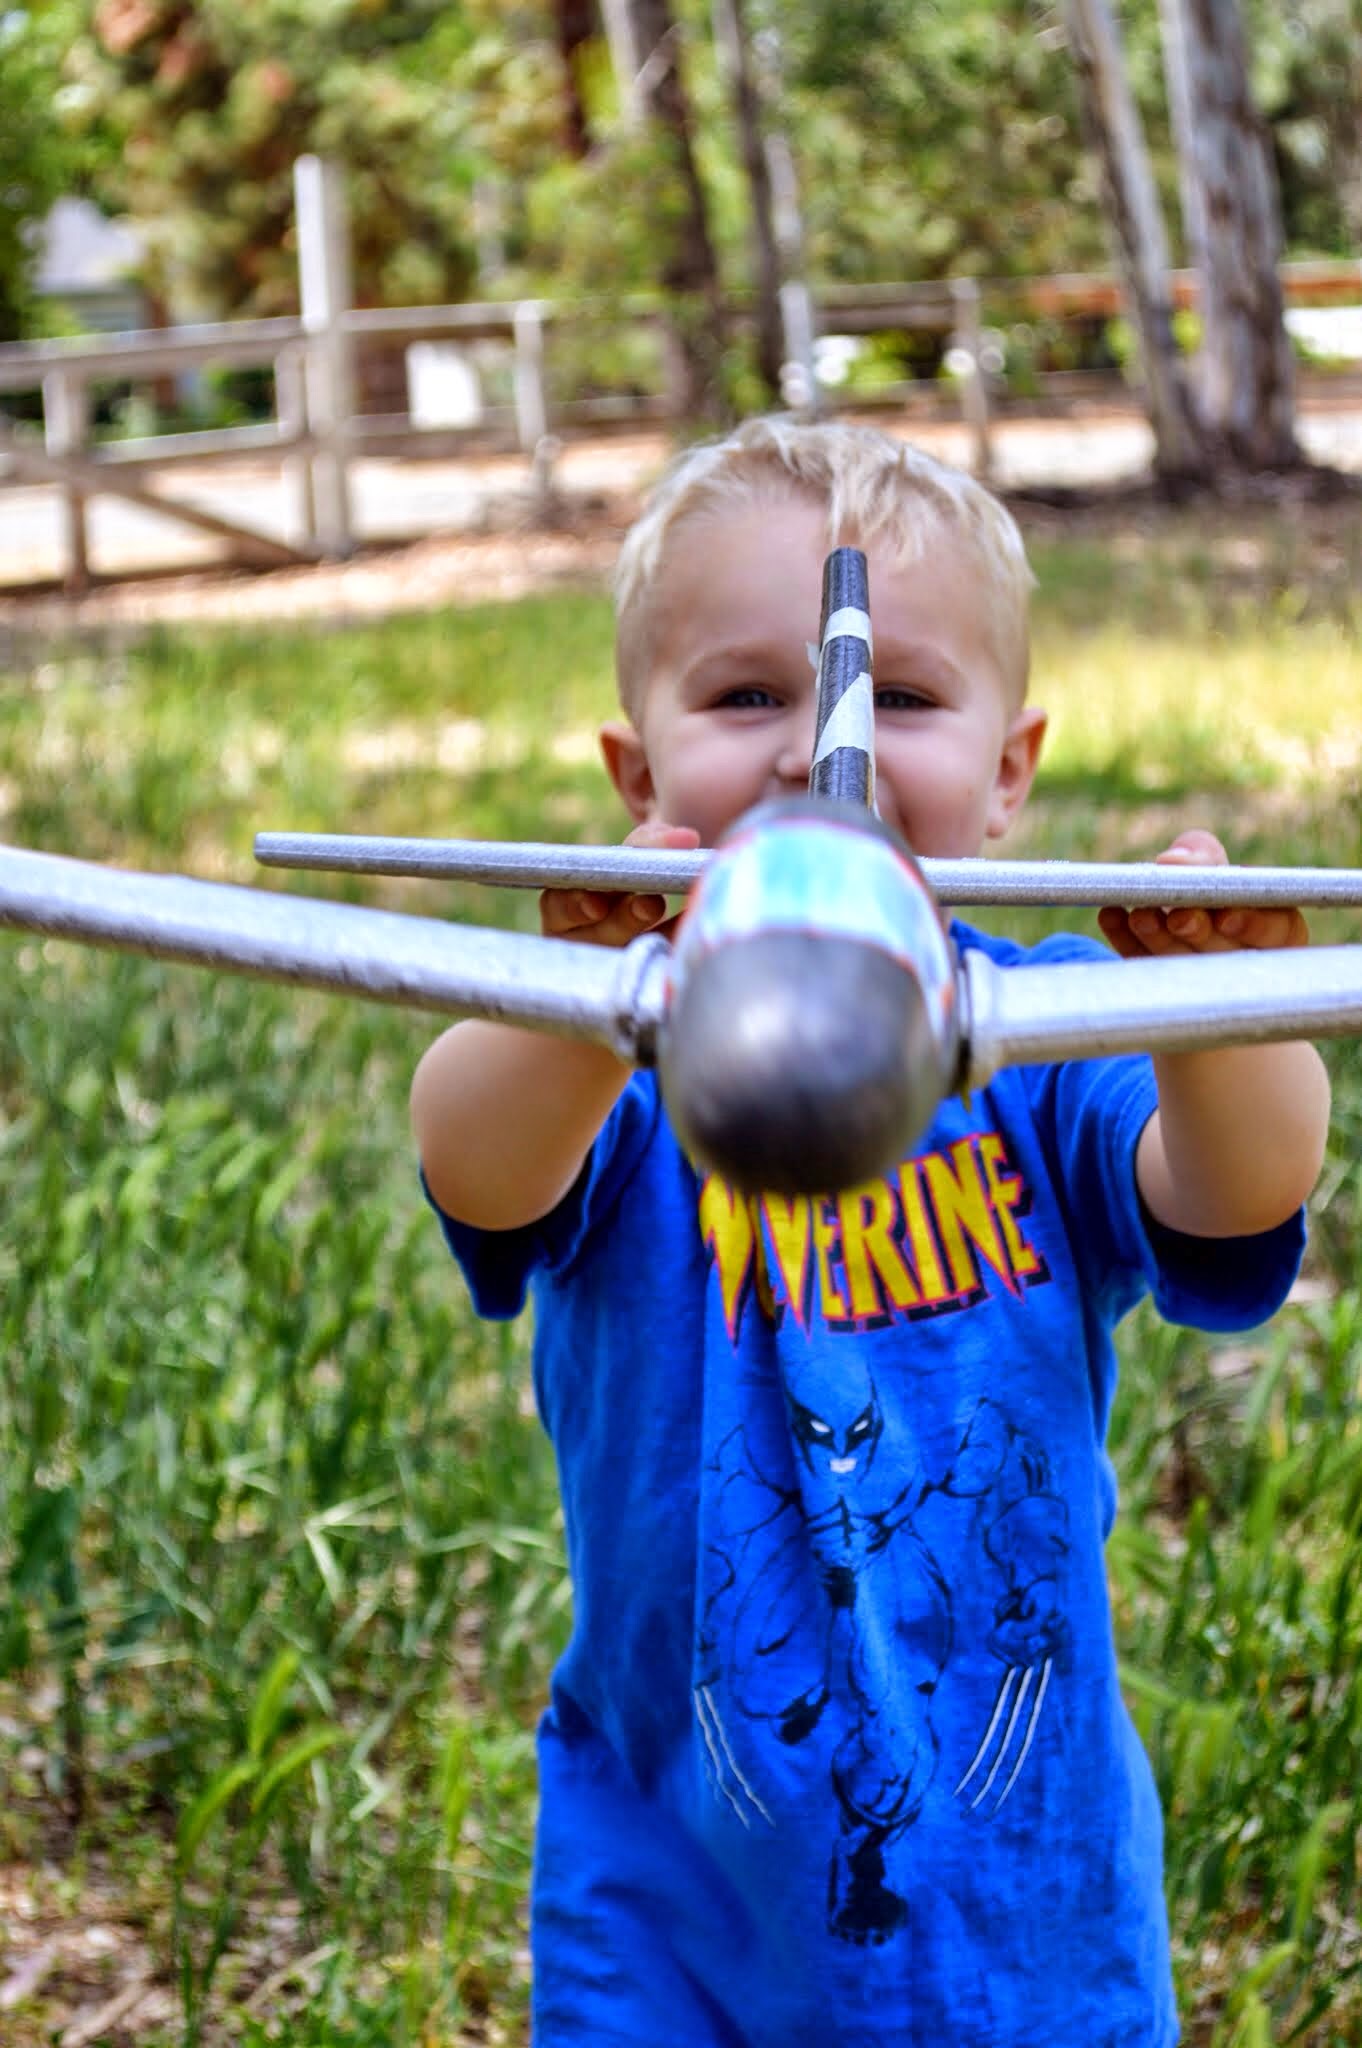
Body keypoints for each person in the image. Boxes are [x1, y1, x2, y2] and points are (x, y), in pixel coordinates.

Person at [410, 418, 1330, 2047]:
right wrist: (582, 1001)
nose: (811, 753)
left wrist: (1219, 1018)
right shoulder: (619, 1052)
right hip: (674, 1906)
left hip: (1022, 1915)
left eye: (897, 698)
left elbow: (1237, 1196)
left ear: (1009, 773)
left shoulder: (1045, 1036)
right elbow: (474, 1166)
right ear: (633, 776)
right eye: (740, 697)